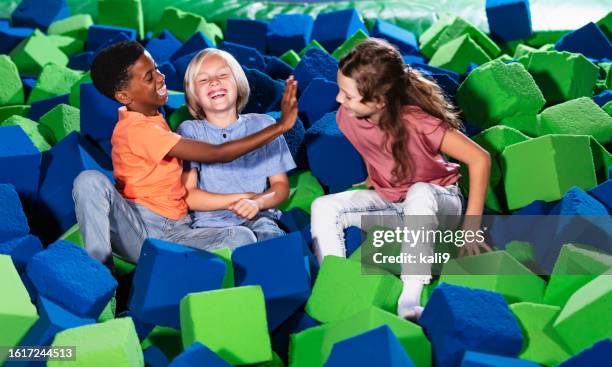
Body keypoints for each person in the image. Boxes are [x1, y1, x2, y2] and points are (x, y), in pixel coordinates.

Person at [72, 41, 297, 272]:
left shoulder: (153, 116)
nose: (161, 77)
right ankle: (101, 274)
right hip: (139, 230)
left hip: (178, 231)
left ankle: (173, 277)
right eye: (149, 78)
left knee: (241, 238)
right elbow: (217, 153)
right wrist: (281, 126)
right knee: (89, 180)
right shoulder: (138, 130)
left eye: (156, 68)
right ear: (124, 96)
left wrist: (255, 201)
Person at [310, 38, 491, 320]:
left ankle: (410, 298)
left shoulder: (419, 122)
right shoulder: (346, 117)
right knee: (323, 206)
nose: (338, 100)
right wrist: (375, 176)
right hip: (394, 203)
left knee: (420, 191)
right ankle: (335, 283)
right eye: (340, 91)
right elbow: (373, 147)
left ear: (379, 101)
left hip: (440, 202)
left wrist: (471, 226)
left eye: (347, 95)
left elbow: (480, 159)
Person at [177, 49, 296, 241]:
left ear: (238, 83)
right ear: (194, 95)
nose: (214, 82)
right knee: (238, 240)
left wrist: (257, 202)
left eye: (223, 75)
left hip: (258, 216)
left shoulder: (264, 125)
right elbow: (189, 195)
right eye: (203, 80)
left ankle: (364, 265)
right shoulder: (191, 131)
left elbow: (280, 185)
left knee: (269, 235)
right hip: (210, 224)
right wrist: (240, 198)